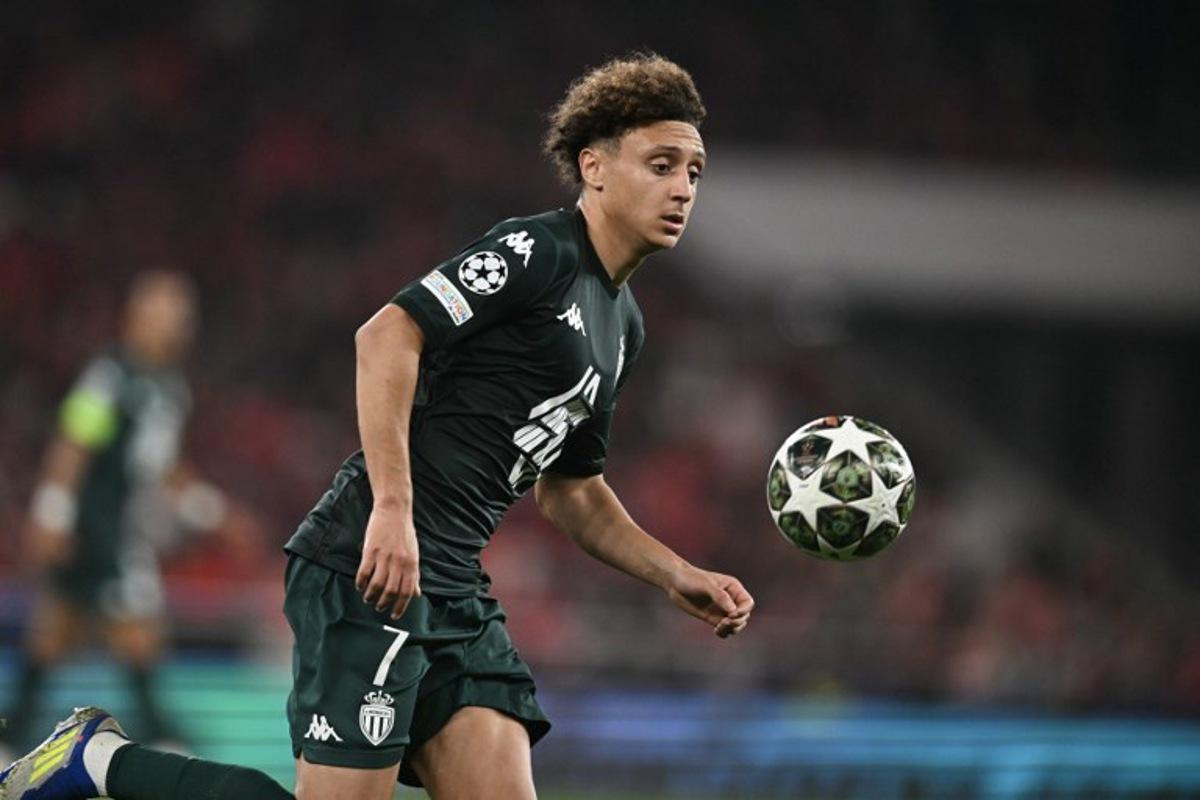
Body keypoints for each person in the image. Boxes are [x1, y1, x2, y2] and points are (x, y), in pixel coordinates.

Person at [0, 52, 754, 800]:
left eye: (694, 171)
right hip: (371, 563)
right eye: (662, 165)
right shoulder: (538, 252)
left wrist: (675, 572)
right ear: (595, 167)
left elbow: (573, 492)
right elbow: (387, 335)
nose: (683, 188)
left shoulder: (624, 326)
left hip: (453, 587)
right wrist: (393, 509)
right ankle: (99, 760)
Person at [0, 271, 243, 761]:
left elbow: (165, 468)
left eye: (176, 319)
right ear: (133, 319)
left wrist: (212, 511)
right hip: (97, 528)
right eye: (158, 316)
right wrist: (53, 512)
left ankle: (10, 736)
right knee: (137, 631)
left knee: (54, 634)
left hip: (118, 529)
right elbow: (73, 440)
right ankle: (162, 739)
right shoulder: (111, 376)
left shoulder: (170, 390)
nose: (167, 328)